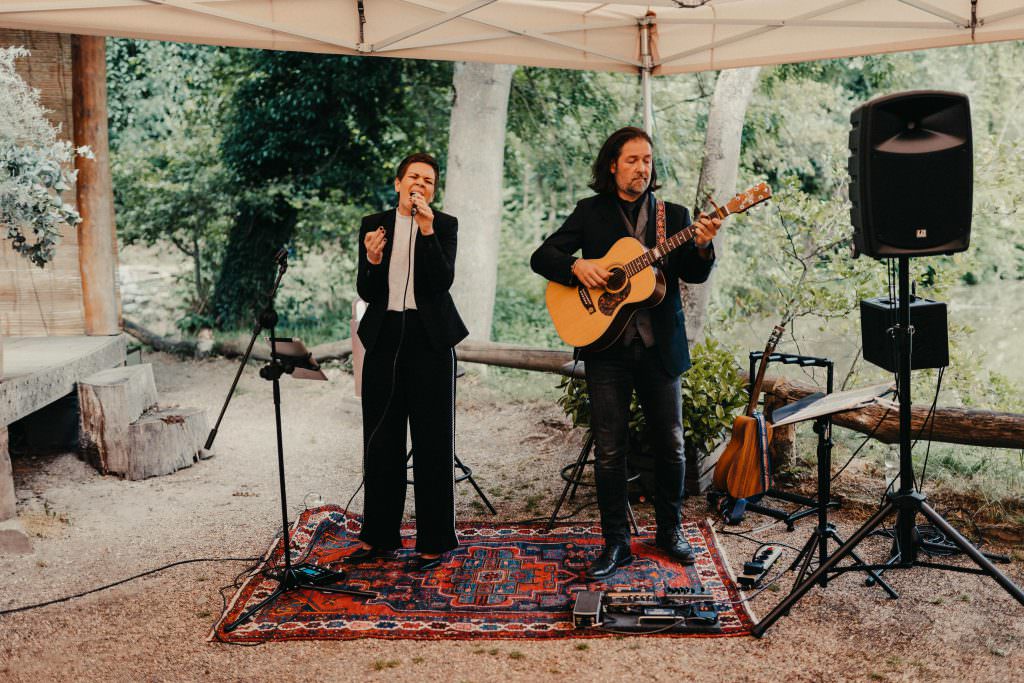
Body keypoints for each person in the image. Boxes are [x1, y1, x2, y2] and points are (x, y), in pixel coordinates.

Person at [530, 127, 722, 580]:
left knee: (672, 446)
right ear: (612, 165)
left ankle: (669, 532)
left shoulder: (673, 215)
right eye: (632, 159)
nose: (642, 167)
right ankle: (615, 542)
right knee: (610, 451)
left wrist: (702, 243)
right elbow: (543, 256)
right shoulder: (590, 213)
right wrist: (578, 266)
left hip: (660, 350)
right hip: (607, 351)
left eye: (648, 159)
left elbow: (694, 274)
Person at [350, 152, 468, 571]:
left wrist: (428, 230)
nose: (421, 185)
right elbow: (366, 290)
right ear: (398, 183)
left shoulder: (444, 224)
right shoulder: (373, 224)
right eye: (414, 178)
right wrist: (373, 260)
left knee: (433, 442)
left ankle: (434, 539)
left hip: (430, 339)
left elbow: (441, 283)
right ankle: (379, 535)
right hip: (384, 338)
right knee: (380, 440)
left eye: (429, 181)